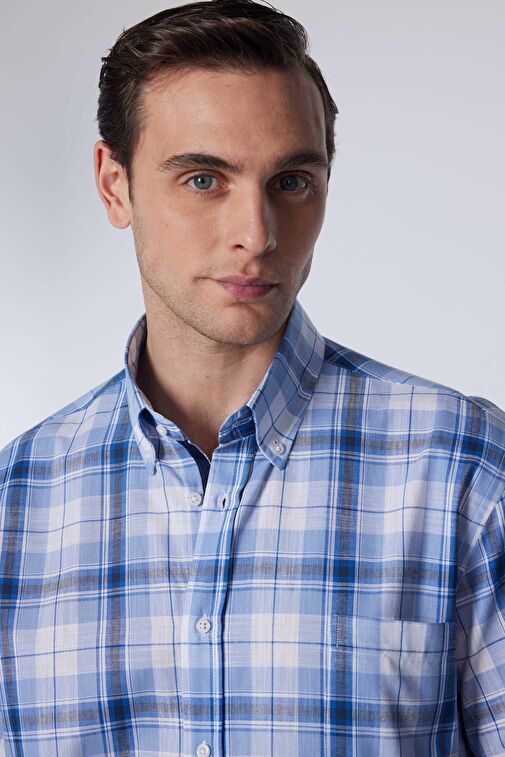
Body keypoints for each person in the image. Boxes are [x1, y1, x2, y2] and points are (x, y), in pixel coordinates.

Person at [0, 0, 504, 754]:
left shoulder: (463, 467)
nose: (257, 234)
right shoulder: (15, 505)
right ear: (114, 185)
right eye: (204, 179)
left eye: (291, 181)